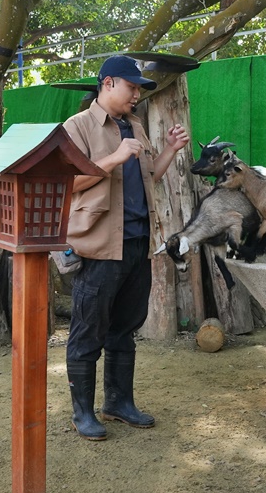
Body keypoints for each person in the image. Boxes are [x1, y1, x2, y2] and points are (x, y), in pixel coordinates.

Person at [61, 55, 190, 441]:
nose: (137, 94)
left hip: (137, 243)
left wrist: (169, 150)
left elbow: (150, 176)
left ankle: (118, 402)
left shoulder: (134, 125)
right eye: (132, 86)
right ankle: (82, 412)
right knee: (88, 331)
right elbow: (66, 184)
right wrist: (114, 157)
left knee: (124, 329)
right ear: (108, 83)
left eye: (139, 89)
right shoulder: (78, 126)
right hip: (99, 246)